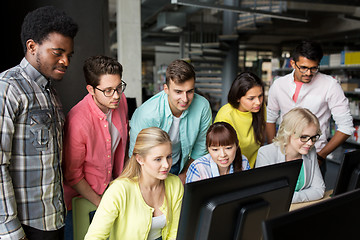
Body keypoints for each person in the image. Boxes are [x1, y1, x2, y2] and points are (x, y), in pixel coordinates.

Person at [0, 6, 78, 240]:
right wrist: (11, 231)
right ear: (32, 47)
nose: (65, 61)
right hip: (24, 227)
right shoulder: (8, 88)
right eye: (58, 52)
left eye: (69, 55)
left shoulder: (50, 92)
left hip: (53, 220)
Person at [62, 55, 128, 239]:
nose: (116, 96)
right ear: (91, 89)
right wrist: (102, 204)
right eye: (108, 90)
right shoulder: (77, 121)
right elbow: (73, 176)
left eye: (118, 87)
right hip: (80, 201)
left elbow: (122, 148)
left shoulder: (120, 101)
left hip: (109, 192)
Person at [266, 40, 354, 171]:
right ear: (292, 64)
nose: (308, 73)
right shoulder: (279, 85)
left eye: (313, 68)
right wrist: (273, 150)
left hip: (314, 156)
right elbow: (270, 119)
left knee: (315, 192)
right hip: (282, 156)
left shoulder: (330, 85)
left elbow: (346, 127)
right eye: (303, 67)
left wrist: (321, 156)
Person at [84, 127, 184, 240]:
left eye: (169, 157)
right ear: (140, 159)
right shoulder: (119, 190)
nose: (166, 165)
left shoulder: (175, 184)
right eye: (158, 159)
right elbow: (94, 237)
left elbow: (174, 233)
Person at [129, 59, 212, 183]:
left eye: (190, 91)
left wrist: (184, 176)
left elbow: (200, 148)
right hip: (150, 170)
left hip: (182, 165)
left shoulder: (202, 106)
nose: (185, 99)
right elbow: (137, 157)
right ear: (166, 89)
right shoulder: (146, 114)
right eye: (178, 92)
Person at [256, 108, 325, 203]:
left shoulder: (310, 151)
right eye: (304, 137)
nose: (310, 143)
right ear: (288, 133)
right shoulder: (266, 153)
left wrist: (289, 197)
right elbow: (266, 195)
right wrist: (306, 195)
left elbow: (319, 190)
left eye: (313, 137)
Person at [214, 72, 266, 168]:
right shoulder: (226, 115)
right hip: (231, 169)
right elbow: (221, 154)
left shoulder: (260, 109)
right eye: (251, 98)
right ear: (238, 98)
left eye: (260, 96)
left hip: (254, 168)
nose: (258, 102)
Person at [186, 122, 250, 183]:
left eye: (228, 148)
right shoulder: (198, 167)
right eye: (215, 149)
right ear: (208, 149)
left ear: (236, 145)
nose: (222, 155)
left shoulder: (243, 161)